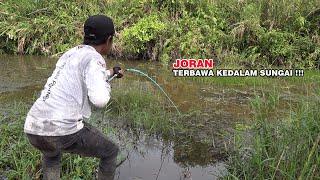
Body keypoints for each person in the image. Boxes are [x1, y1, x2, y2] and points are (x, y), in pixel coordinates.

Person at [24, 15, 123, 180]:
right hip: (61, 130)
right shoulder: (95, 58)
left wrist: (111, 72)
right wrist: (107, 84)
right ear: (108, 40)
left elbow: (89, 76)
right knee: (110, 152)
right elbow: (100, 100)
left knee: (51, 155)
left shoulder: (71, 53)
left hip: (33, 126)